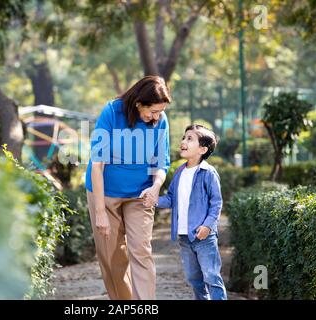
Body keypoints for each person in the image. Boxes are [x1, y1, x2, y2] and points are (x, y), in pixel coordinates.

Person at [85, 75, 171, 300]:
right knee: (112, 258)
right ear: (139, 103)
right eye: (152, 111)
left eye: (160, 111)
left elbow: (162, 162)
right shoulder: (112, 113)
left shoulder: (160, 121)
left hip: (140, 194)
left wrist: (156, 187)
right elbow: (97, 164)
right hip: (105, 192)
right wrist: (100, 212)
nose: (156, 117)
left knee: (141, 251)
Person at [151, 124, 227, 300]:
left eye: (190, 139)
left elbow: (216, 203)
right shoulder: (179, 172)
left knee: (211, 276)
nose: (183, 141)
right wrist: (154, 200)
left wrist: (208, 226)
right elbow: (171, 198)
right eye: (184, 138)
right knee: (193, 278)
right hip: (184, 237)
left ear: (202, 149)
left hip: (204, 237)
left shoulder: (208, 172)